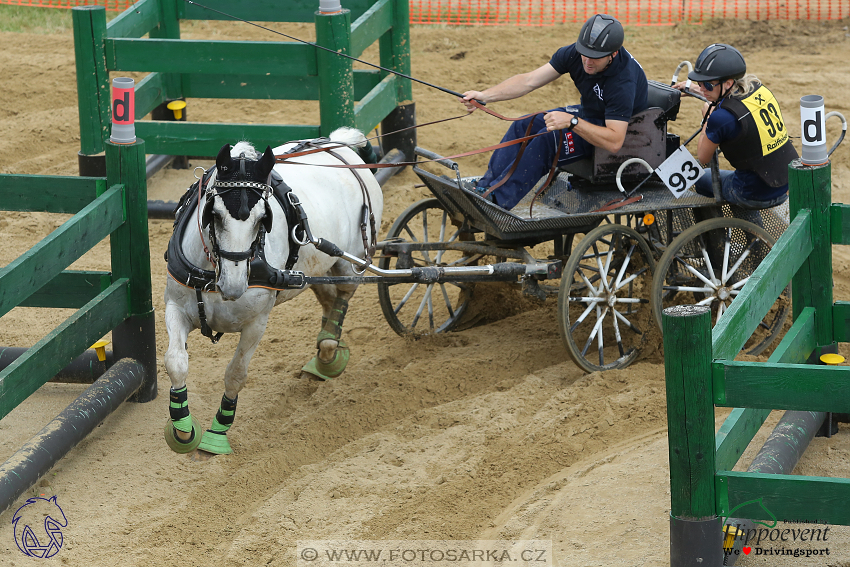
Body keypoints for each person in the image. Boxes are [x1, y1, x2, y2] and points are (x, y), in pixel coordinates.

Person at [460, 14, 648, 210]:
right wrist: (485, 95)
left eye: (595, 58)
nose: (587, 62)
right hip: (591, 114)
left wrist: (572, 121)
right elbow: (528, 81)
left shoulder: (623, 82)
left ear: (614, 54)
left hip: (622, 132)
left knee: (548, 140)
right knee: (526, 124)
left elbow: (615, 141)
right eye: (585, 54)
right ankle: (484, 188)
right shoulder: (577, 54)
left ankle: (497, 201)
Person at [674, 43, 798, 209]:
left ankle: (715, 234)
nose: (703, 88)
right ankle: (751, 232)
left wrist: (707, 120)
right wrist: (692, 89)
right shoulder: (758, 89)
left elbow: (703, 158)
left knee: (700, 177)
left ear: (728, 83)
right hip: (783, 182)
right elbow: (729, 99)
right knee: (742, 174)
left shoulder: (720, 118)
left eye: (708, 85)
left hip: (753, 193)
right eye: (700, 83)